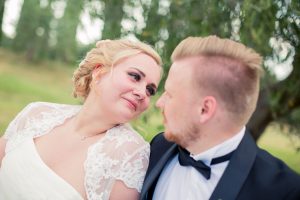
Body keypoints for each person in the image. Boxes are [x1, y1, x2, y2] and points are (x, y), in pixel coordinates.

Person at [140, 36, 300, 200]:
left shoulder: (285, 192)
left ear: (205, 109)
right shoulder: (159, 147)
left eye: (170, 94)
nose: (159, 102)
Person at [0, 39, 162, 200]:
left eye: (150, 90)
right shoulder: (36, 113)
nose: (142, 93)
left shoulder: (131, 152)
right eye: (135, 76)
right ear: (99, 72)